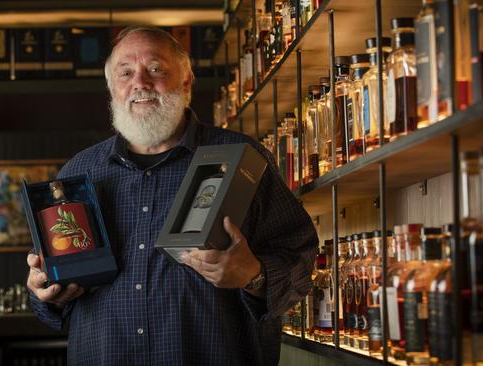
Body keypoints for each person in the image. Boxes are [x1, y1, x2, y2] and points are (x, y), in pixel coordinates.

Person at [26, 26, 318, 366]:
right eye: (125, 72)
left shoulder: (242, 157)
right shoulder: (79, 172)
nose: (140, 82)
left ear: (186, 82)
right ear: (112, 89)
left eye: (156, 69)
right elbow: (53, 299)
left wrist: (254, 275)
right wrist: (45, 291)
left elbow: (302, 259)